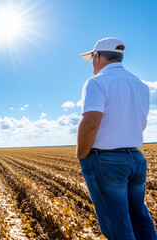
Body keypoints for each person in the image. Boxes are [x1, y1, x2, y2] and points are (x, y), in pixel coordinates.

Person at [77, 37, 157, 239]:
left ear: (98, 56)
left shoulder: (96, 82)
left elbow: (91, 121)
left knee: (116, 222)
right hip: (136, 159)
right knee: (139, 216)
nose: (93, 64)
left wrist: (82, 155)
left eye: (93, 58)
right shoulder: (140, 85)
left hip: (107, 160)